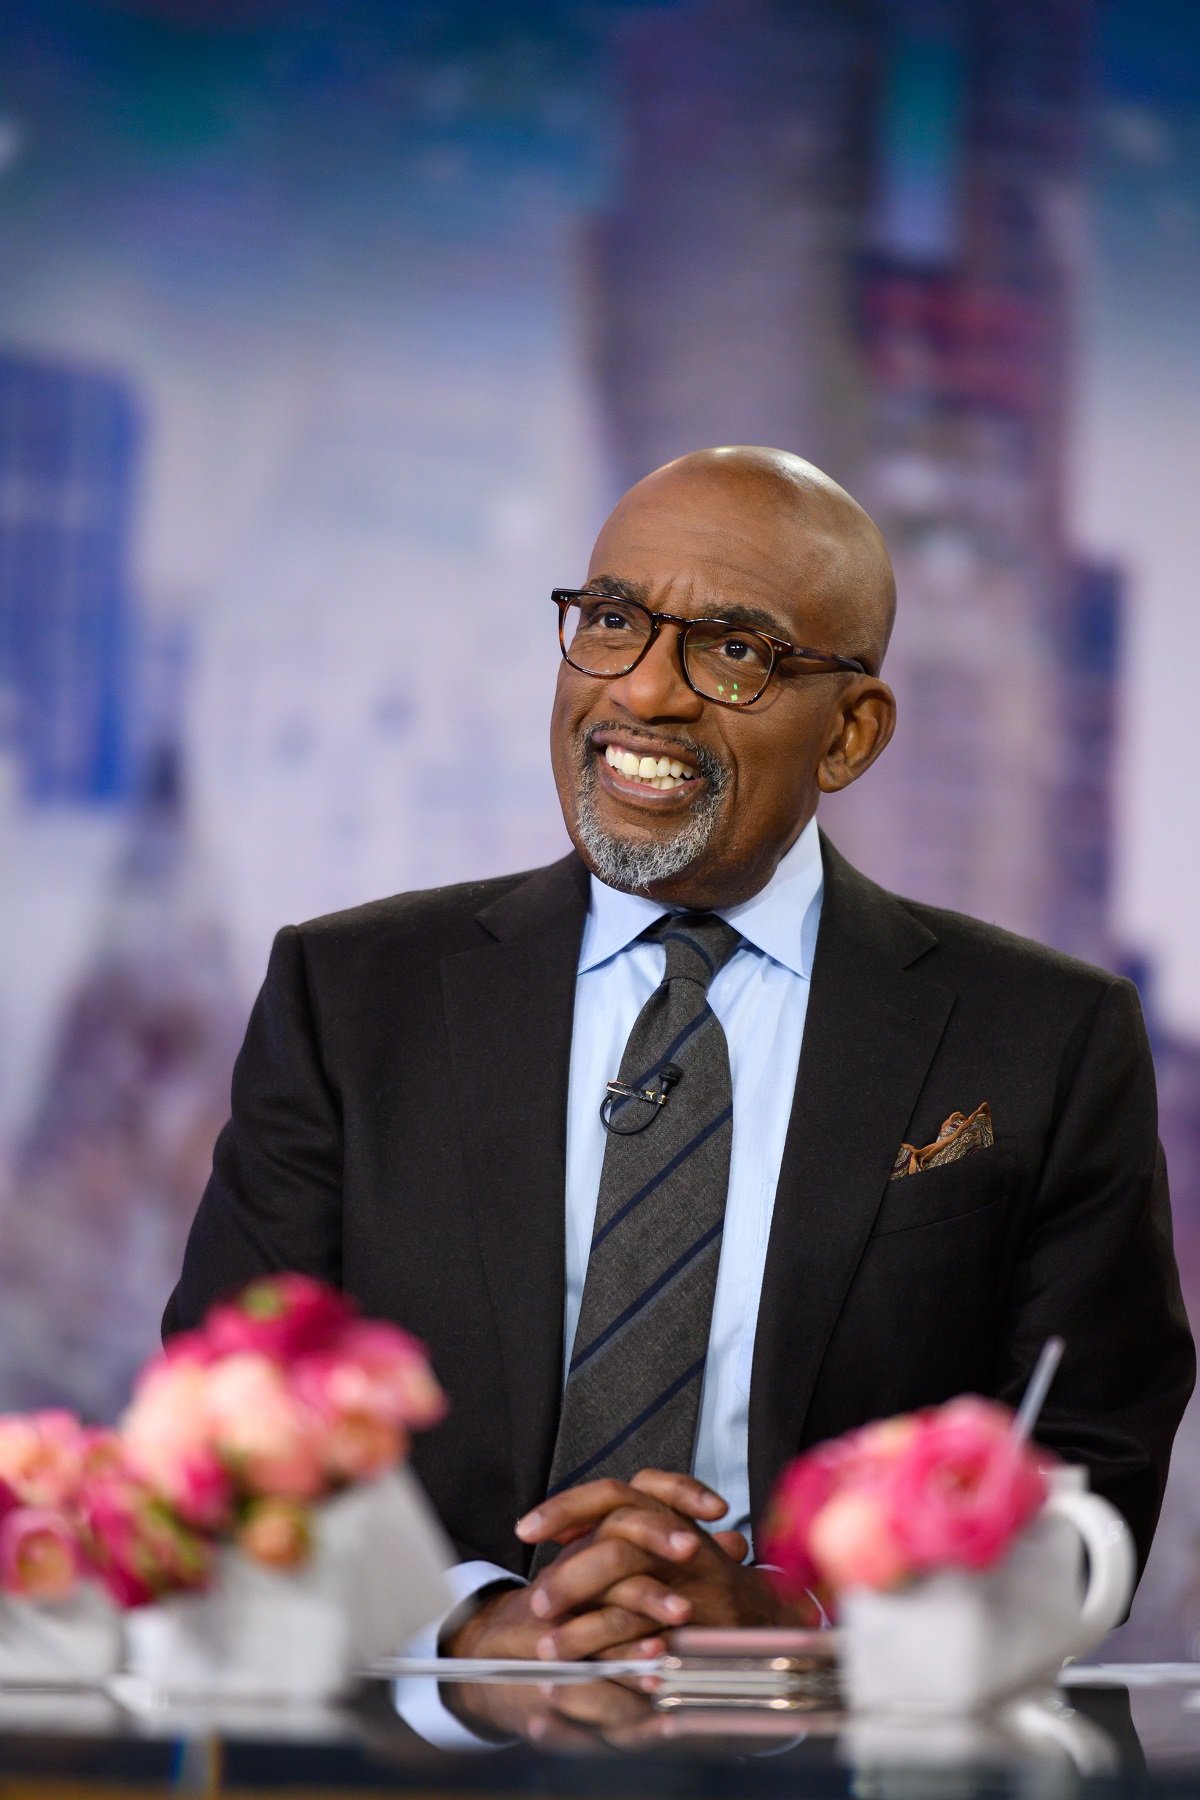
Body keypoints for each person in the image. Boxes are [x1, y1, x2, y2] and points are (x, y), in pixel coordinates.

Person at [166, 446, 1194, 1666]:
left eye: (734, 650)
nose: (645, 693)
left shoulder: (1044, 1038)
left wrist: (811, 1627)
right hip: (419, 1748)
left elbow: (1096, 1487)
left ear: (851, 734)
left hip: (834, 1755)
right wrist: (477, 1632)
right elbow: (220, 1428)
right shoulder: (350, 997)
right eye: (611, 621)